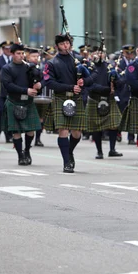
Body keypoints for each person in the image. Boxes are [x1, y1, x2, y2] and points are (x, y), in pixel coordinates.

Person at [43, 33, 87, 173]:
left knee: (77, 133)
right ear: (57, 46)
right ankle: (66, 162)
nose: (65, 46)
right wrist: (69, 87)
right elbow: (49, 83)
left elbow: (91, 75)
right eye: (62, 44)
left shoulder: (78, 60)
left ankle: (69, 151)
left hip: (76, 98)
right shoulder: (51, 63)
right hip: (61, 97)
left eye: (67, 43)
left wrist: (83, 81)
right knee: (63, 130)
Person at [0, 42, 41, 165]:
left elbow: (39, 80)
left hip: (28, 102)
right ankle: (20, 156)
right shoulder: (7, 68)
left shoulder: (29, 67)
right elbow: (8, 85)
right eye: (18, 53)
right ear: (12, 54)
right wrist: (26, 90)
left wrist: (39, 84)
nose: (21, 55)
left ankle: (27, 150)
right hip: (14, 101)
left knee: (31, 131)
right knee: (16, 131)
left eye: (23, 53)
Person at [84, 46, 123, 159]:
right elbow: (89, 85)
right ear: (92, 55)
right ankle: (99, 151)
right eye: (96, 53)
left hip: (109, 99)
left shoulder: (110, 67)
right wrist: (105, 89)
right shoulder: (88, 67)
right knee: (96, 127)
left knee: (114, 125)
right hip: (95, 98)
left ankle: (112, 149)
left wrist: (116, 81)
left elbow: (121, 82)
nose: (99, 55)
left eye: (101, 53)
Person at [116, 44, 136, 145]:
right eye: (127, 53)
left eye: (131, 53)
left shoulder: (136, 62)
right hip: (122, 91)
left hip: (133, 91)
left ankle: (131, 137)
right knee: (121, 114)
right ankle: (118, 132)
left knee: (132, 115)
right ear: (123, 52)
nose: (129, 55)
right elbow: (117, 77)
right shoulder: (119, 63)